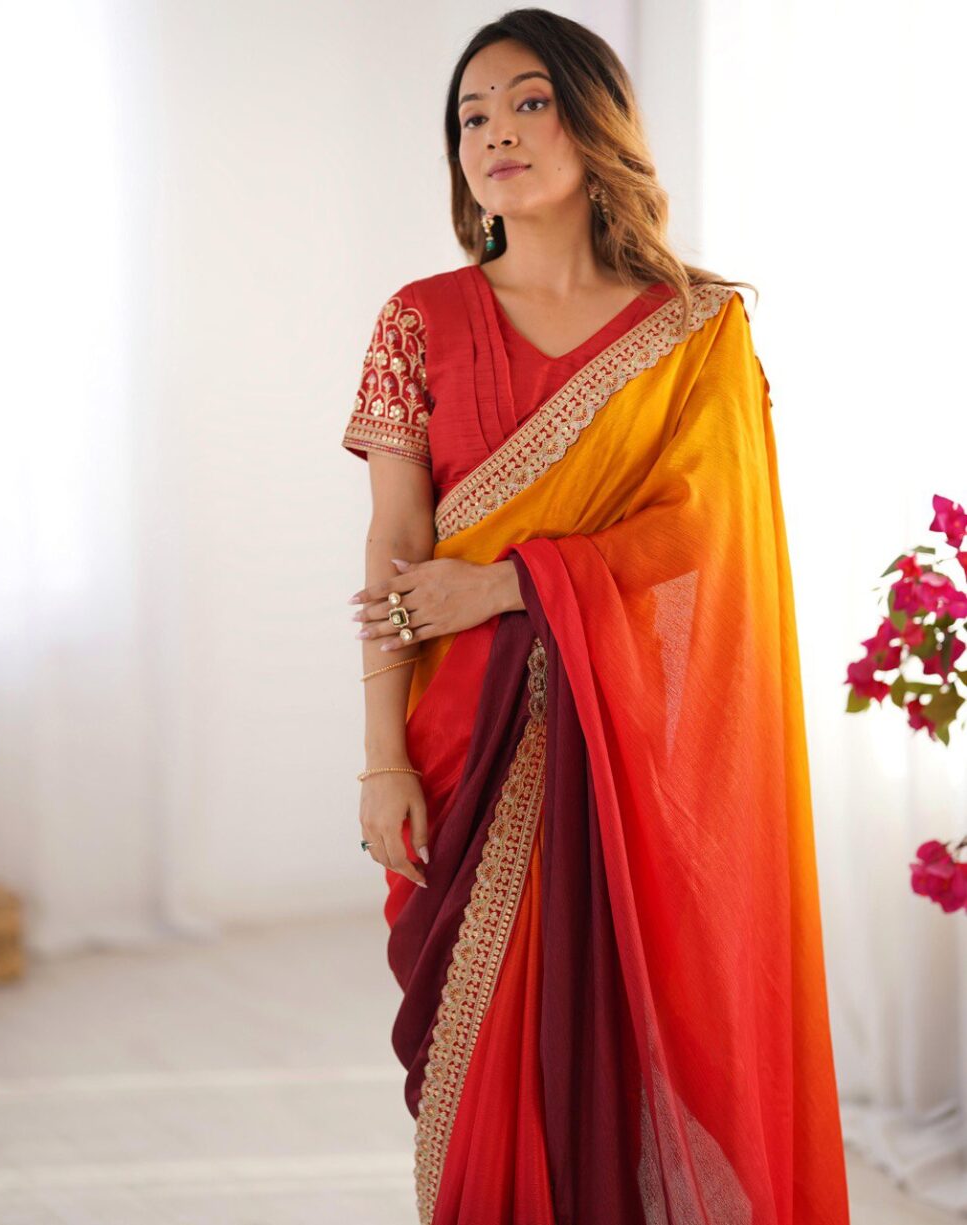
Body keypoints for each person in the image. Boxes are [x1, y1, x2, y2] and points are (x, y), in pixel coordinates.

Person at [341, 9, 850, 1224]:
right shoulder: (419, 317)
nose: (494, 134)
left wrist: (510, 580)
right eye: (471, 115)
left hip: (629, 764)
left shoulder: (694, 330)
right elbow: (395, 547)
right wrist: (380, 758)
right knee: (479, 1072)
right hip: (459, 744)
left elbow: (709, 543)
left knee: (621, 1045)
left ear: (593, 121)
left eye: (528, 101)